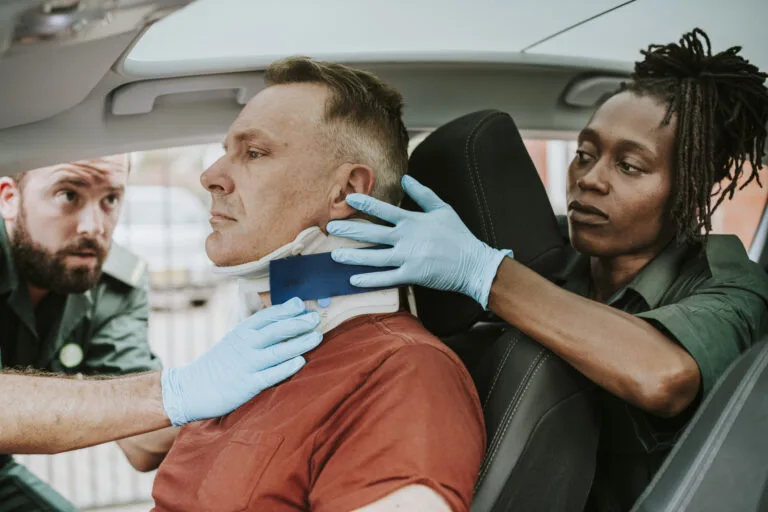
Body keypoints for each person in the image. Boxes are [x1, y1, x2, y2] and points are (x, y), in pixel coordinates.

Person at [328, 28, 768, 510]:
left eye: (629, 166)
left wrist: (484, 272)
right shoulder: (545, 251)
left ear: (689, 188)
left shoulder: (733, 288)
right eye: (584, 154)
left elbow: (664, 377)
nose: (589, 179)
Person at [150, 57, 485, 512]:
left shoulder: (405, 373)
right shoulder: (254, 352)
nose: (210, 176)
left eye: (253, 153)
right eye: (224, 150)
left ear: (347, 191)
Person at [0, 155, 322, 511]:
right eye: (68, 195)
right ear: (8, 198)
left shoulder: (109, 286)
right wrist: (177, 390)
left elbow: (144, 443)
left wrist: (265, 399)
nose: (94, 226)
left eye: (110, 199)